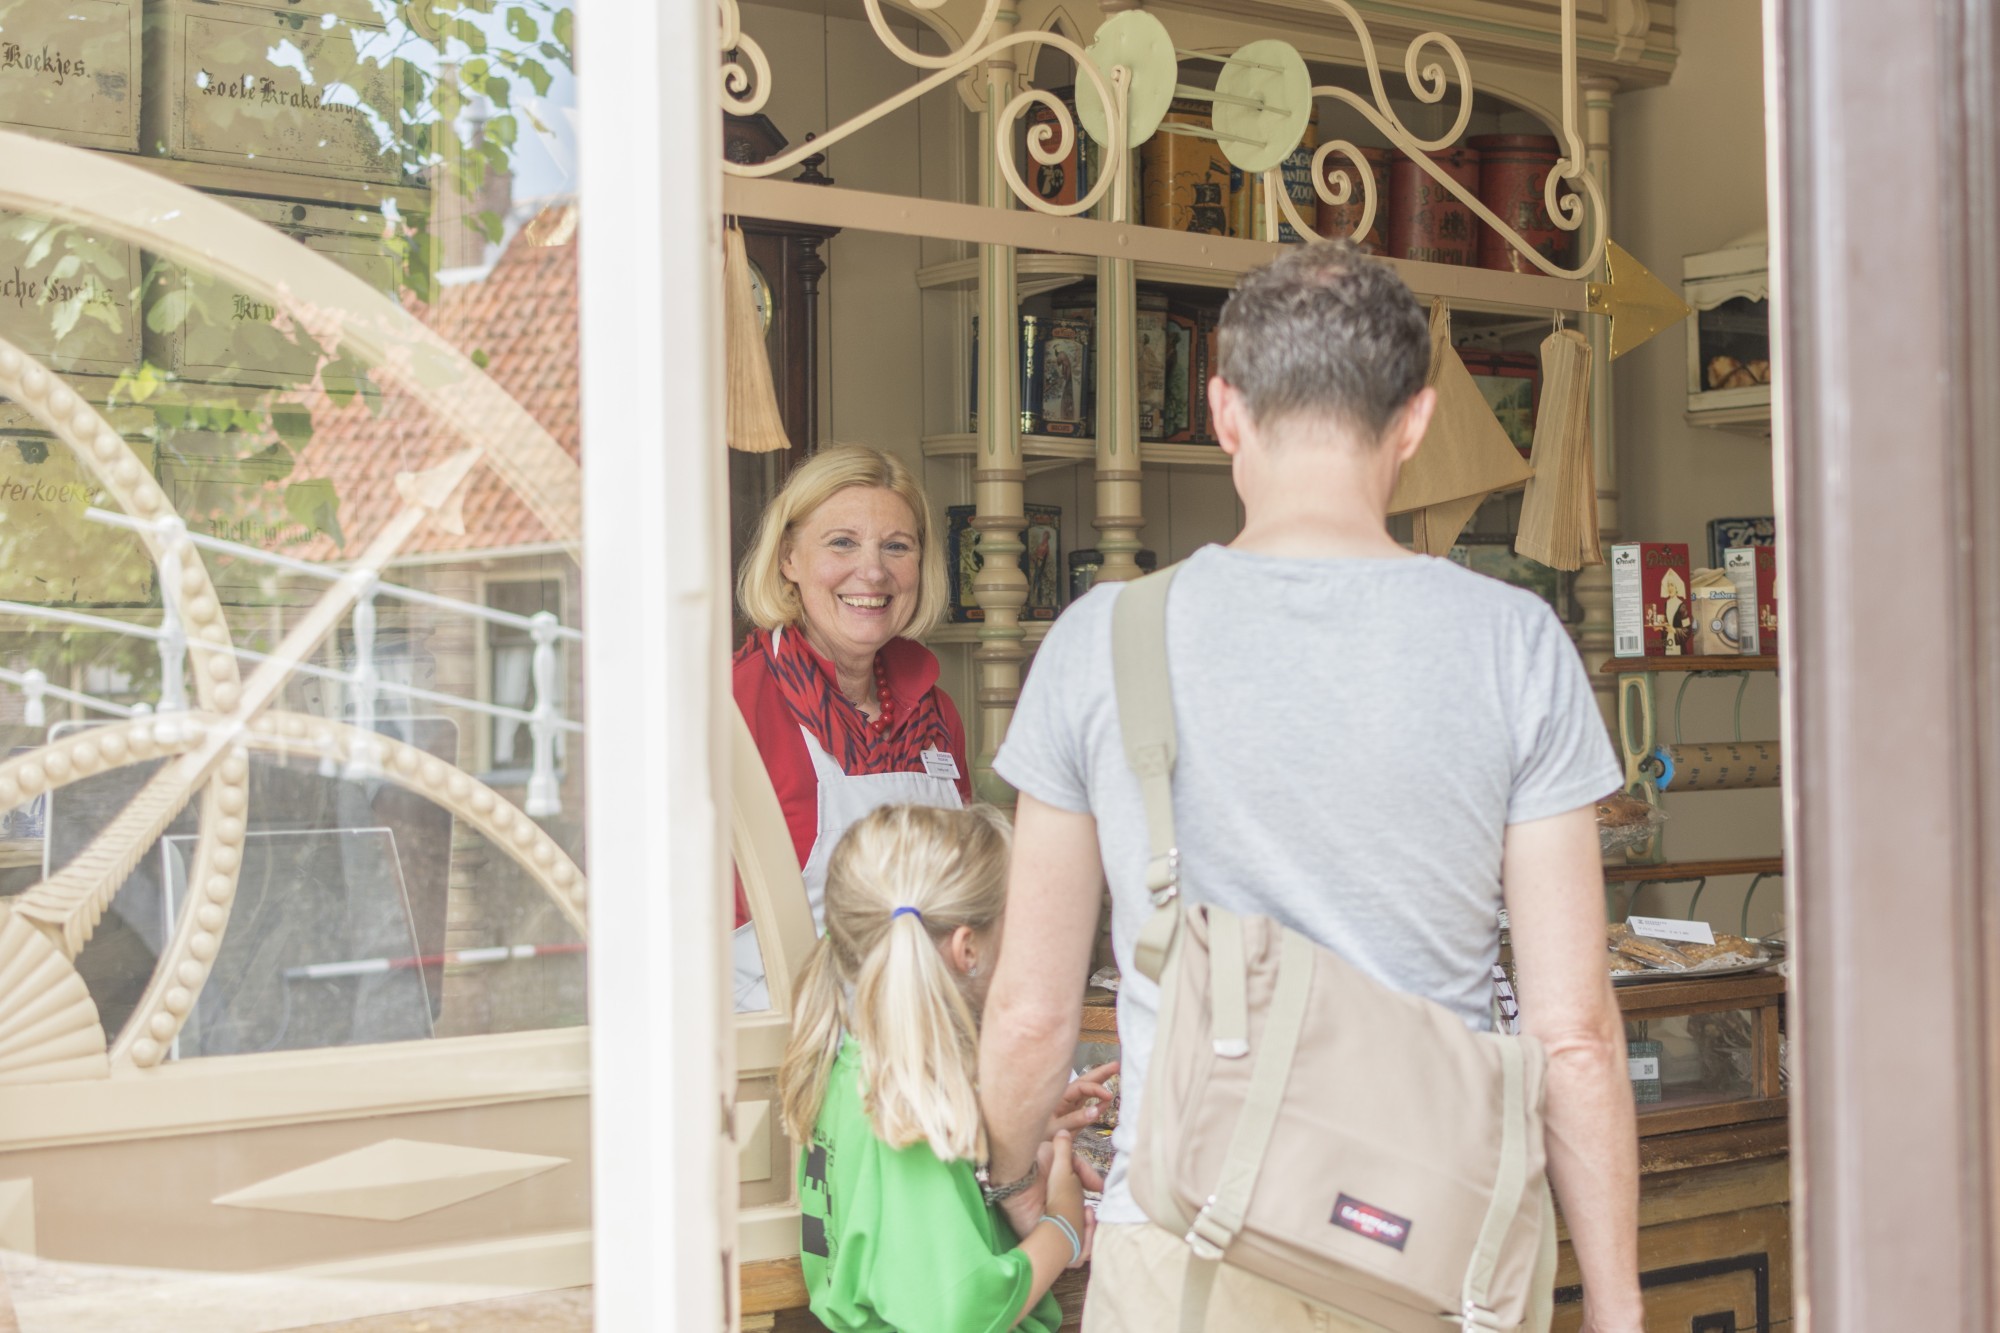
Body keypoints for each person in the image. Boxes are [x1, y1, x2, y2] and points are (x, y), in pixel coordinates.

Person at [975, 241, 1644, 1333]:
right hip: (1435, 1253)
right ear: (1416, 423)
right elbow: (1573, 1033)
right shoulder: (1513, 643)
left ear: (1223, 410)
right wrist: (1615, 1308)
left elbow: (1028, 1012)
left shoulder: (1102, 639)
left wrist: (1009, 1193)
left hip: (1184, 1244)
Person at [778, 803, 1112, 1332]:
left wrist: (1015, 1125)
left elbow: (894, 1225)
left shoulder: (849, 1068)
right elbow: (957, 1313)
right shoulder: (908, 1108)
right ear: (968, 949)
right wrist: (1062, 1225)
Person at [733, 445, 972, 1011]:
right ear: (788, 558)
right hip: (777, 1058)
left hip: (920, 1050)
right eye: (842, 542)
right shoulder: (732, 707)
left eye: (897, 547)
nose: (873, 571)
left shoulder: (937, 715)